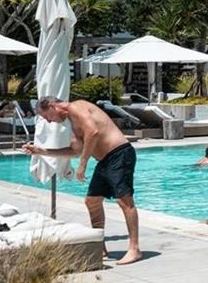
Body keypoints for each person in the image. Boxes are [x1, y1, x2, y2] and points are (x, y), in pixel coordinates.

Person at [23, 97, 143, 265]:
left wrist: (83, 164)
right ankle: (99, 246)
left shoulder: (76, 107)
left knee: (124, 201)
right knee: (92, 201)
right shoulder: (72, 123)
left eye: (46, 117)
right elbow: (75, 150)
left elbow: (93, 132)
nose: (49, 121)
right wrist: (41, 150)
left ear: (53, 106)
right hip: (106, 160)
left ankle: (134, 249)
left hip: (120, 153)